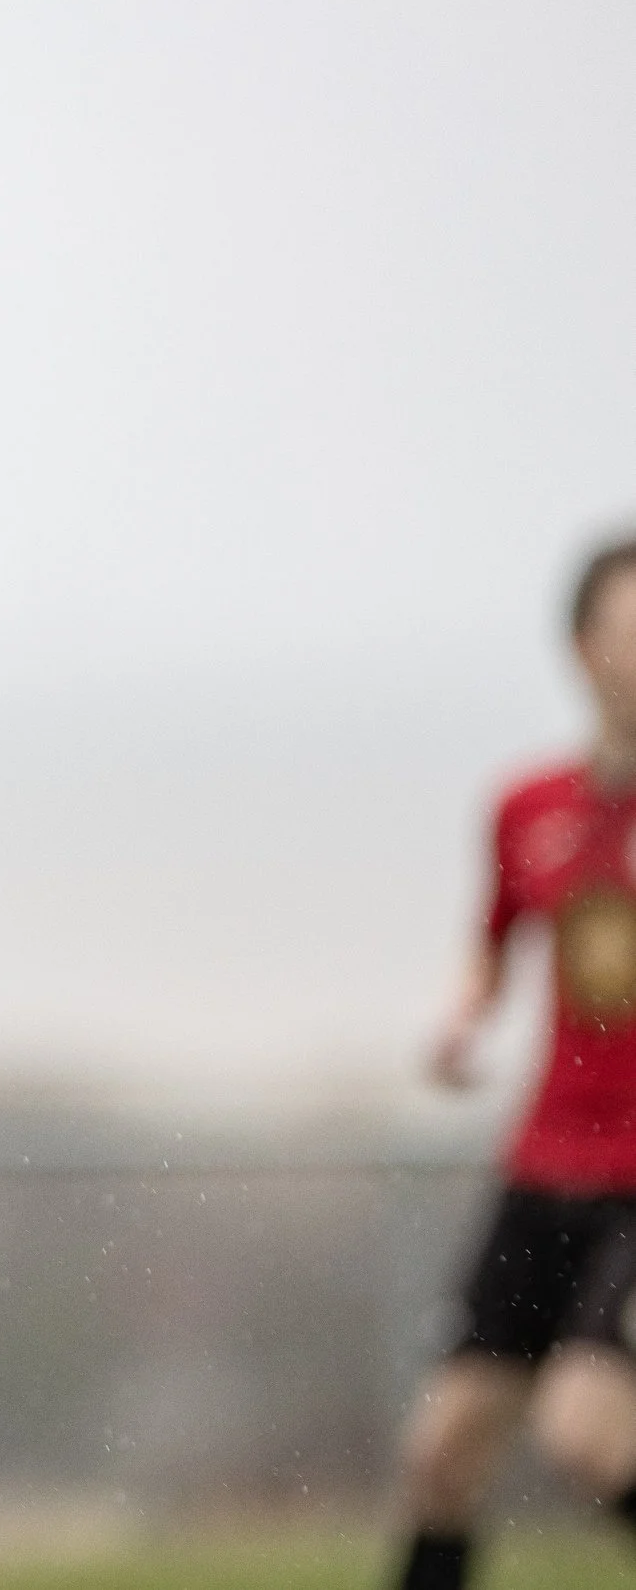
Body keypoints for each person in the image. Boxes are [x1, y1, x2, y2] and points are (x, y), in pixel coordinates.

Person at [393, 538, 636, 1589]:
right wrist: (462, 1021)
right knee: (441, 1453)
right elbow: (492, 944)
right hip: (542, 1167)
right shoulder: (527, 808)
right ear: (584, 651)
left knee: (586, 1435)